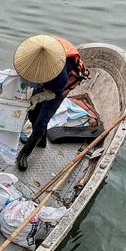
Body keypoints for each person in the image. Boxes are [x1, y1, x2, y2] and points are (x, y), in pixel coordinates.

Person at [12, 35, 91, 171]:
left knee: (42, 121)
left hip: (56, 91)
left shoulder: (60, 76)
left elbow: (54, 93)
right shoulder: (36, 53)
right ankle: (41, 140)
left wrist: (37, 98)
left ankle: (24, 153)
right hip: (44, 80)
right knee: (32, 114)